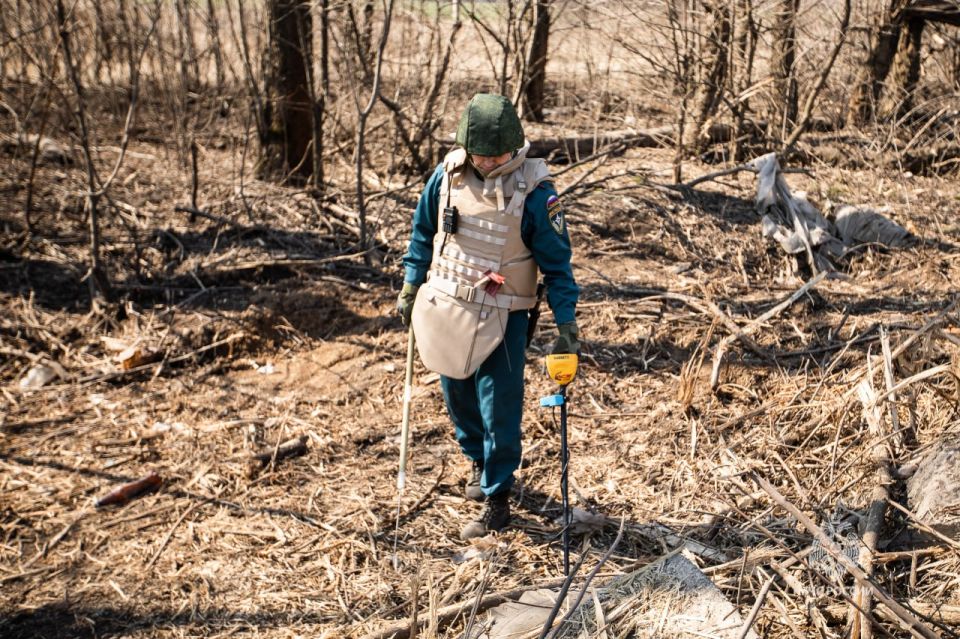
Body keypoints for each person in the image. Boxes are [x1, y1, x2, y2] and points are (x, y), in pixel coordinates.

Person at [397, 93, 580, 540]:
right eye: (481, 152)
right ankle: (477, 462)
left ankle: (498, 495)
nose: (489, 159)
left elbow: (557, 265)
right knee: (455, 391)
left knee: (498, 403)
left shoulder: (537, 193)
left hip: (504, 313)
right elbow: (424, 233)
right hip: (447, 304)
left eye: (498, 152)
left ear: (514, 144)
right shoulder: (446, 177)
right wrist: (409, 283)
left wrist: (567, 325)